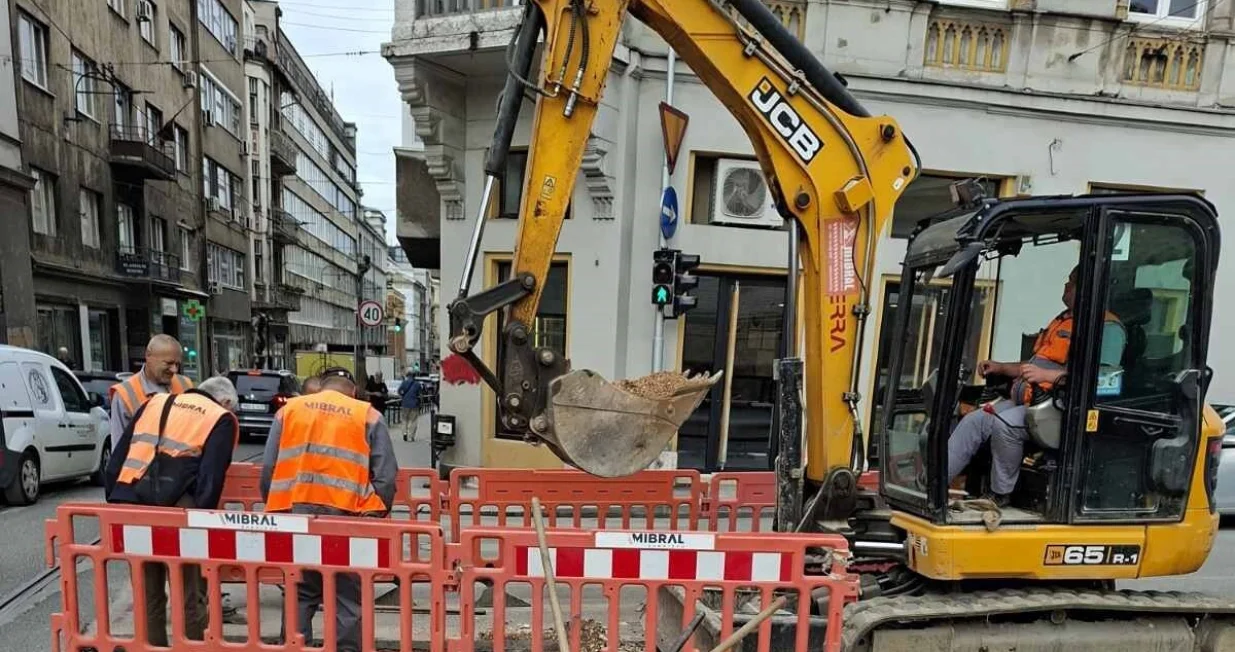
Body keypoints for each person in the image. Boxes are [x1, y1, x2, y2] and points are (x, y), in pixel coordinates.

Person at [947, 266, 1125, 506]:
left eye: (1071, 282)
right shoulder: (1065, 320)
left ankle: (999, 494)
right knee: (974, 421)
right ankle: (934, 483)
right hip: (1028, 401)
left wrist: (1049, 376)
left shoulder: (1108, 328)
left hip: (1063, 409)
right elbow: (1033, 365)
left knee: (1005, 424)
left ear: (1088, 288)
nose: (1065, 287)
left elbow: (1103, 380)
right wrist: (1001, 367)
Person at [259, 367, 397, 652]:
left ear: (321, 387)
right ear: (354, 392)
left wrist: (276, 505)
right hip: (347, 519)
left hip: (296, 515)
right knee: (348, 596)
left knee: (300, 590)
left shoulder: (289, 411)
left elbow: (269, 468)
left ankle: (295, 647)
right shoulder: (367, 414)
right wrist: (376, 513)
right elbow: (385, 475)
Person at [103, 376, 240, 646]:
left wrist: (117, 500)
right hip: (179, 509)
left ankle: (151, 647)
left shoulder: (154, 403)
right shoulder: (219, 417)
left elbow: (117, 458)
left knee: (148, 593)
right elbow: (211, 479)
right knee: (191, 592)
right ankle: (192, 646)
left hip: (133, 503)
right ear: (224, 401)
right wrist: (201, 522)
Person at [109, 335, 195, 451]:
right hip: (145, 468)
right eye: (168, 363)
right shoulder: (125, 393)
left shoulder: (185, 384)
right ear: (148, 356)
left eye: (177, 364)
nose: (174, 370)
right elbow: (118, 449)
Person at [397, 370, 422, 441]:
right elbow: (420, 394)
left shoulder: (404, 382)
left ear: (407, 376)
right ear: (414, 376)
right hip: (414, 404)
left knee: (404, 419)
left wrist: (403, 396)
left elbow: (399, 391)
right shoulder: (417, 384)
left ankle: (404, 433)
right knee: (413, 420)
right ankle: (411, 436)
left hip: (405, 404)